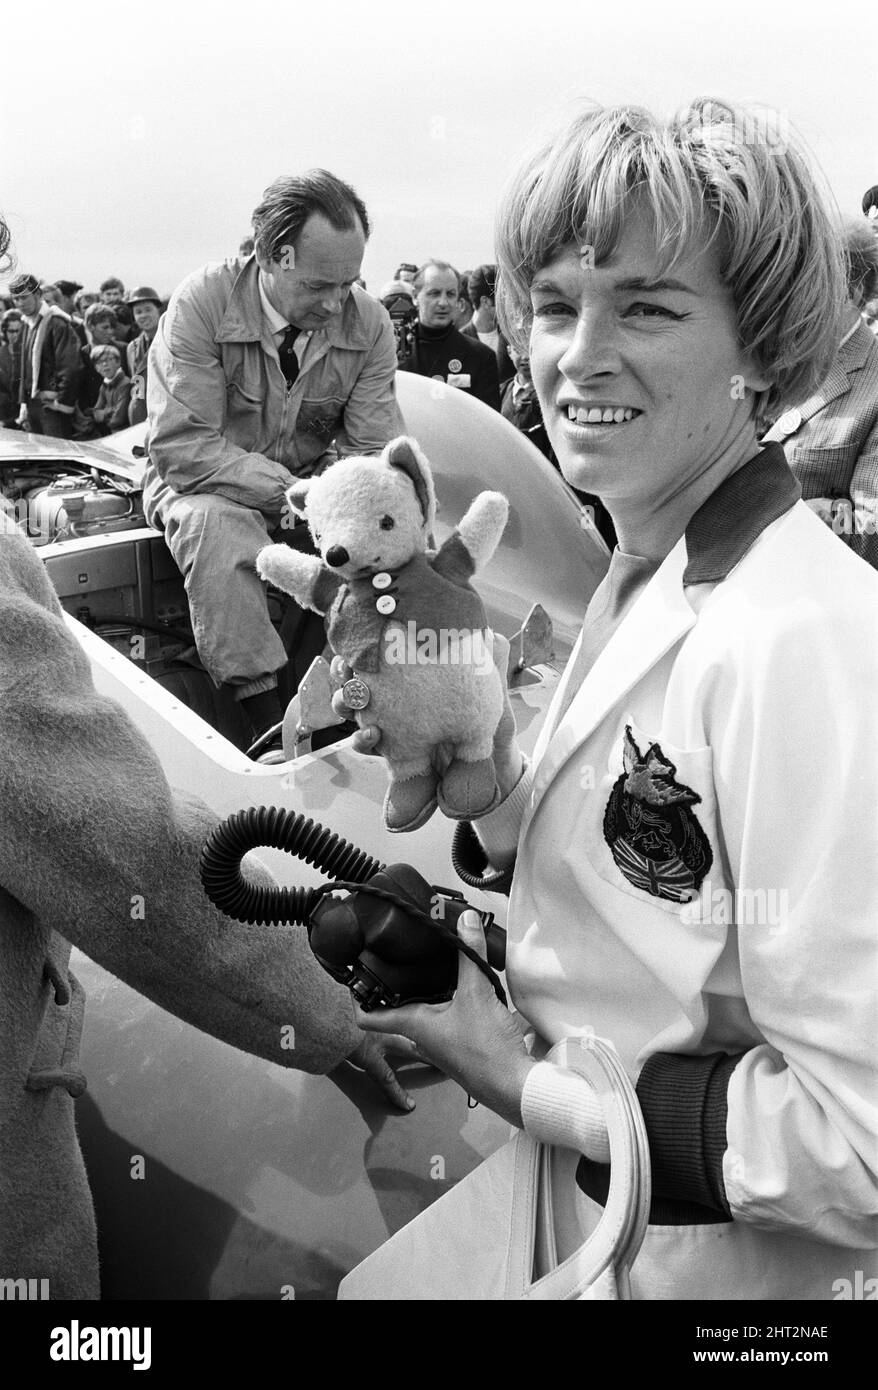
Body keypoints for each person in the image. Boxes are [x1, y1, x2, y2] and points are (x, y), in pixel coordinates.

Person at [356, 98, 878, 1300]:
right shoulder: (648, 566)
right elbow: (676, 910)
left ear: (763, 344)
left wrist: (516, 1075)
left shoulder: (802, 645)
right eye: (552, 302)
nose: (575, 352)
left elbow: (859, 1140)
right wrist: (493, 809)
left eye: (645, 305)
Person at [143, 169, 405, 751]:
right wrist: (297, 496)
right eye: (319, 285)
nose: (337, 303)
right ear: (270, 256)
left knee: (384, 538)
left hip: (305, 494)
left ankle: (352, 698)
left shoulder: (370, 323)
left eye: (350, 283)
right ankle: (262, 725)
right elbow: (184, 449)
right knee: (220, 526)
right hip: (196, 489)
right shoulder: (203, 305)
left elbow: (373, 456)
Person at [762, 219, 878, 570]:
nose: (786, 296)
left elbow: (869, 530)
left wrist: (783, 520)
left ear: (853, 294)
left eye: (806, 282)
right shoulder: (774, 358)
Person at [398, 259, 501, 411]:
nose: (443, 302)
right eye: (434, 293)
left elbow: (487, 425)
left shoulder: (481, 358)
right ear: (415, 296)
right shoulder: (392, 352)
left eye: (451, 294)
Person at [9, 272, 83, 438]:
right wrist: (24, 403)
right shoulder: (27, 324)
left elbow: (71, 367)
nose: (20, 303)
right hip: (32, 404)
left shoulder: (57, 323)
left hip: (51, 406)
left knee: (56, 458)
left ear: (37, 295)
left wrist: (60, 402)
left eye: (24, 297)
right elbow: (23, 370)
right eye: (16, 299)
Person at [462, 263, 514, 387]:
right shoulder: (459, 342)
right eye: (503, 298)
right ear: (485, 302)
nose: (508, 304)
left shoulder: (511, 337)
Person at [124, 285, 163, 426]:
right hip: (141, 415)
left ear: (158, 310)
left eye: (148, 309)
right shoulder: (132, 348)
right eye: (138, 312)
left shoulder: (170, 340)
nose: (143, 315)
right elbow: (137, 384)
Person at [90, 344, 131, 433]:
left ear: (118, 362)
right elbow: (96, 413)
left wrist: (104, 413)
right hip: (111, 433)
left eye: (109, 359)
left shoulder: (125, 384)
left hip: (124, 432)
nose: (104, 364)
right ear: (96, 368)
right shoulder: (104, 385)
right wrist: (111, 411)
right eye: (99, 362)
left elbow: (118, 419)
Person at [0, 307, 23, 426]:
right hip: (4, 413)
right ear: (5, 331)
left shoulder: (29, 353)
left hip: (24, 412)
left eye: (18, 331)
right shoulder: (1, 353)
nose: (15, 335)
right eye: (11, 331)